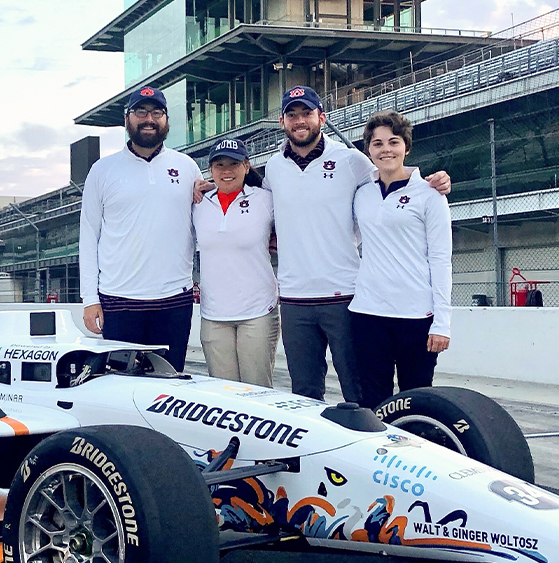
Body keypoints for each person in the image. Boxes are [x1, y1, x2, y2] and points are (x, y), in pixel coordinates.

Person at [216, 86, 450, 403]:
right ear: (283, 122)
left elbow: (391, 174)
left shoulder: (350, 160)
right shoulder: (273, 167)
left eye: (307, 113)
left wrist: (431, 181)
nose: (300, 121)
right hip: (295, 298)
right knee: (305, 395)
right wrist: (206, 187)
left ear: (321, 118)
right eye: (292, 115)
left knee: (358, 392)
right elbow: (258, 204)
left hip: (345, 296)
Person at [78, 86, 203, 371]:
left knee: (170, 388)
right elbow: (88, 237)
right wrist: (89, 299)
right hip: (119, 300)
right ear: (127, 119)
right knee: (121, 387)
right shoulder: (102, 170)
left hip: (174, 300)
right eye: (141, 112)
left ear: (166, 119)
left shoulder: (186, 167)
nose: (149, 119)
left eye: (156, 112)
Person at [350, 110, 452, 410]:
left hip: (415, 317)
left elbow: (441, 258)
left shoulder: (430, 194)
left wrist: (442, 323)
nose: (386, 150)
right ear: (368, 150)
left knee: (416, 400)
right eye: (377, 143)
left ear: (406, 147)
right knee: (371, 401)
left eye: (393, 142)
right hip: (367, 314)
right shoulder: (362, 193)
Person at [192, 138, 280, 386]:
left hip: (258, 312)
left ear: (247, 166)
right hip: (214, 314)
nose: (227, 170)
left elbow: (295, 222)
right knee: (224, 394)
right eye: (219, 165)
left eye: (234, 163)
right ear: (210, 170)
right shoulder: (198, 204)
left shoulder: (265, 199)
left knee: (258, 392)